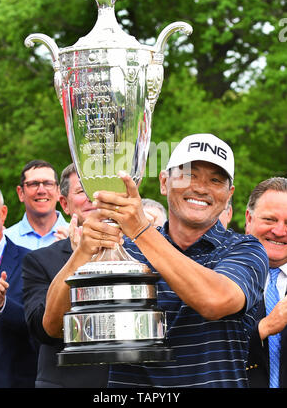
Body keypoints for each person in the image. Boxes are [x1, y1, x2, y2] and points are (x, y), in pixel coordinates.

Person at [42, 133, 268, 388]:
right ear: (164, 182)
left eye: (216, 180)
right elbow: (53, 326)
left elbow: (214, 301)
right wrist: (83, 252)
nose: (201, 188)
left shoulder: (245, 249)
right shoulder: (125, 251)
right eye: (189, 175)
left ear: (229, 195)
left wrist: (140, 230)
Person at [22, 163, 109, 388]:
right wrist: (80, 258)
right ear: (65, 204)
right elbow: (43, 331)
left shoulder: (138, 252)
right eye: (82, 191)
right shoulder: (39, 261)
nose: (92, 197)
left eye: (99, 189)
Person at [0, 182, 37, 388]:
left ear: (3, 212)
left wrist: (3, 306)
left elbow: (38, 323)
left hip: (12, 379)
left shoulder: (31, 261)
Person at [245, 177, 287, 388]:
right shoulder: (220, 273)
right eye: (270, 220)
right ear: (248, 219)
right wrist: (264, 327)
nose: (279, 231)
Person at [5, 159, 69, 249]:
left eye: (48, 183)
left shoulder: (78, 238)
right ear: (21, 193)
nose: (41, 191)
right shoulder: (5, 241)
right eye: (33, 184)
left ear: (58, 191)